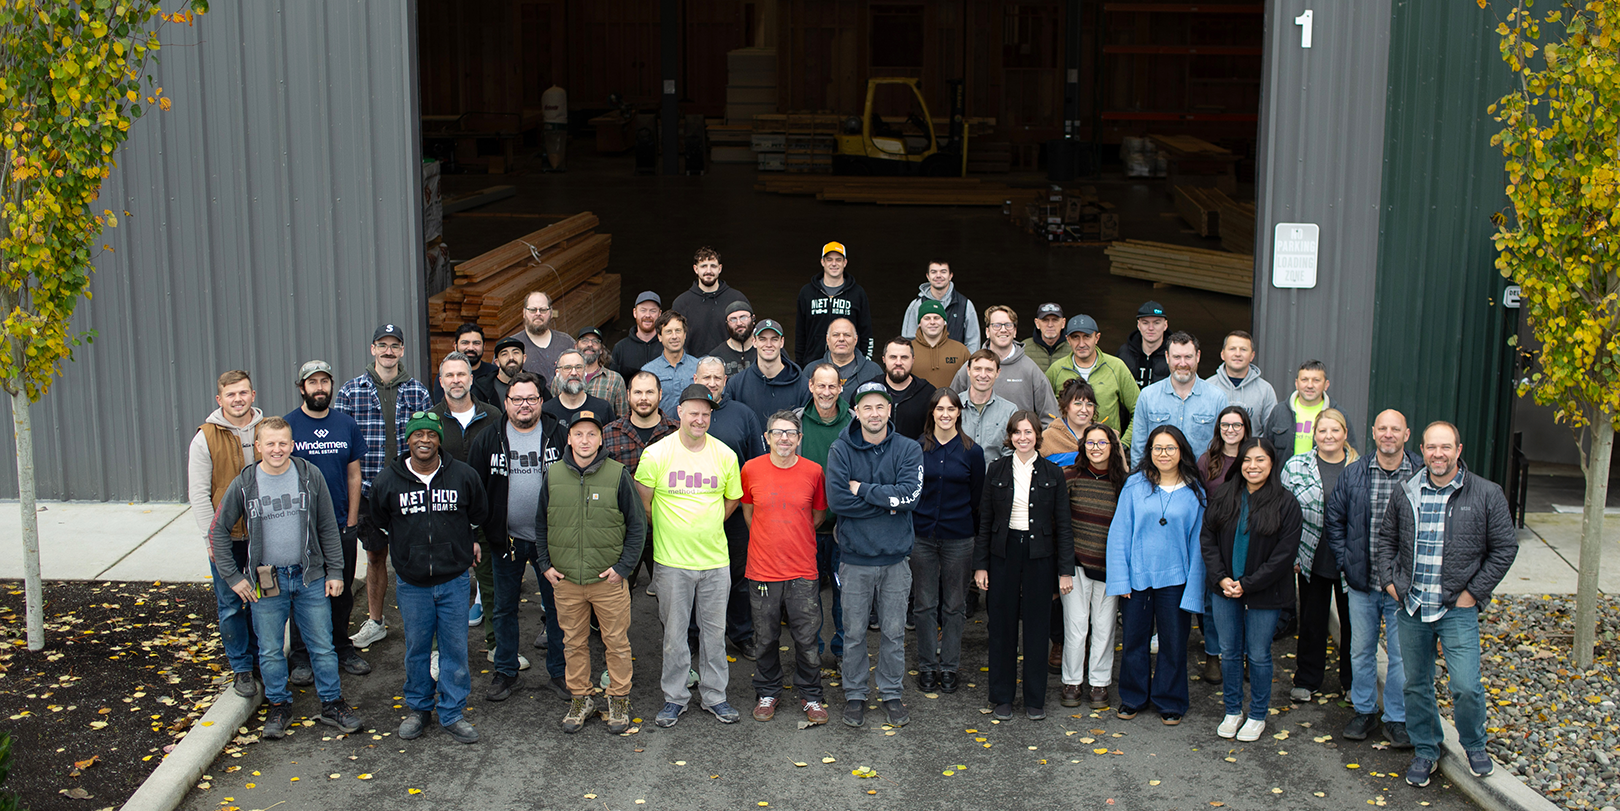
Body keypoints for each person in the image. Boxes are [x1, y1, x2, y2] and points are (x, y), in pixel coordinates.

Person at [1376, 421, 1517, 788]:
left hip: (1457, 609)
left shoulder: (1487, 493)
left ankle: (1474, 745)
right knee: (1415, 684)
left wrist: (1473, 594)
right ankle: (1426, 749)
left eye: (1445, 447)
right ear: (1422, 450)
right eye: (1431, 447)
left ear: (1458, 450)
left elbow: (1505, 548)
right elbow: (1386, 539)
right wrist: (1391, 583)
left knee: (1466, 686)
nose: (1438, 454)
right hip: (1412, 606)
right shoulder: (1406, 490)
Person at [209, 417, 366, 739]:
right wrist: (233, 577)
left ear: (292, 445)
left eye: (283, 443)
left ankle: (332, 703)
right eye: (270, 443)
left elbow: (327, 526)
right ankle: (279, 705)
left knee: (322, 646)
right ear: (258, 447)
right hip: (267, 580)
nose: (277, 449)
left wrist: (335, 571)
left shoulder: (309, 475)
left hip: (309, 576)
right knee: (269, 650)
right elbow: (218, 531)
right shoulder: (245, 482)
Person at [369, 411, 490, 744]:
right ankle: (419, 709)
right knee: (417, 650)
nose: (425, 440)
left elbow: (478, 514)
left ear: (439, 439)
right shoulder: (387, 480)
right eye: (418, 435)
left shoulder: (463, 475)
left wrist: (465, 544)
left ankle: (452, 712)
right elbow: (379, 521)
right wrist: (404, 552)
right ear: (408, 440)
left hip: (454, 580)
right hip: (412, 583)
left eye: (431, 435)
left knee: (455, 650)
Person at [635, 385, 745, 728]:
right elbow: (644, 502)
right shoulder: (656, 454)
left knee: (714, 634)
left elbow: (732, 499)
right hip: (672, 563)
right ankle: (675, 697)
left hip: (715, 562)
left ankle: (715, 696)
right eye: (694, 412)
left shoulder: (725, 454)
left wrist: (708, 523)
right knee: (674, 635)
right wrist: (673, 528)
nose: (700, 419)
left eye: (706, 414)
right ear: (679, 412)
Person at [536, 410, 647, 735]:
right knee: (573, 642)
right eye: (578, 434)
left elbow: (637, 526)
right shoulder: (554, 475)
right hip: (567, 580)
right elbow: (541, 523)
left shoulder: (617, 474)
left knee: (616, 642)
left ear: (600, 439)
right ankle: (581, 698)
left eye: (591, 434)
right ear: (569, 439)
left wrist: (623, 568)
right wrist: (545, 564)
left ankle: (618, 698)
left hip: (606, 579)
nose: (585, 440)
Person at [466, 373, 571, 702]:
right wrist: (474, 533)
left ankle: (559, 672)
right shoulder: (488, 438)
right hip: (505, 539)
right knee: (503, 608)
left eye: (531, 398)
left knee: (556, 608)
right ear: (506, 402)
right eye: (517, 399)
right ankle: (506, 672)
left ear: (541, 401)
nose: (524, 405)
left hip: (551, 542)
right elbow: (474, 489)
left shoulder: (559, 435)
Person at [825, 382, 924, 729]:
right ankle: (855, 694)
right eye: (866, 407)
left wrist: (864, 490)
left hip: (896, 560)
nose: (874, 413)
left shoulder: (909, 449)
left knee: (894, 634)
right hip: (855, 559)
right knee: (853, 634)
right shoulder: (840, 450)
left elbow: (911, 497)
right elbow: (839, 502)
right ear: (856, 412)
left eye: (880, 406)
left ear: (889, 410)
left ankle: (891, 693)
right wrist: (888, 504)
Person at [1325, 409, 1420, 749]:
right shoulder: (1355, 473)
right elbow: (1335, 520)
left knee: (1401, 656)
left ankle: (1396, 718)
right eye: (1383, 428)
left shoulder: (1420, 474)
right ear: (1374, 433)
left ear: (1406, 435)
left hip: (1403, 587)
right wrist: (1346, 562)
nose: (1388, 434)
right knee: (1361, 650)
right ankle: (1364, 711)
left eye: (1395, 429)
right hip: (1362, 583)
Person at [335, 324, 433, 651]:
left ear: (402, 350)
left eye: (394, 345)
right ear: (373, 349)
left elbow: (428, 440)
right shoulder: (351, 391)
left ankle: (419, 627)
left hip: (409, 487)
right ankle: (375, 622)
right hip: (368, 490)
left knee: (413, 558)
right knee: (375, 556)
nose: (388, 351)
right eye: (382, 345)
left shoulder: (418, 392)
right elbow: (343, 445)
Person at [974, 411, 1074, 721]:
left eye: (1028, 432)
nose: (1023, 437)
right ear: (1010, 436)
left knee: (1037, 627)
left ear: (1037, 436)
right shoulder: (996, 469)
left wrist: (1065, 570)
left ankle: (1034, 699)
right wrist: (981, 565)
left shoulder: (1052, 473)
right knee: (1001, 626)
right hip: (1003, 553)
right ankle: (1002, 696)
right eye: (1017, 432)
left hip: (1039, 555)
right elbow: (985, 520)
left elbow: (1063, 525)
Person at [1200, 438, 1301, 743]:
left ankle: (1257, 714)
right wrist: (1221, 579)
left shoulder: (1286, 502)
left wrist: (1248, 584)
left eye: (1260, 460)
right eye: (1246, 460)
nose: (1252, 466)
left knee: (1257, 654)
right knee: (1229, 652)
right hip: (1225, 589)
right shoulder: (1225, 495)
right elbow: (1208, 539)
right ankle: (1233, 711)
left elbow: (1284, 554)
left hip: (1264, 592)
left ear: (1272, 464)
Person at [1106, 425, 1207, 726]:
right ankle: (1133, 697)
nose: (1164, 454)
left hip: (1176, 581)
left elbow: (1198, 545)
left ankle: (1170, 700)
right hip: (1137, 579)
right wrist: (1121, 579)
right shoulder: (1135, 485)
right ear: (1149, 451)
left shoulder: (1194, 492)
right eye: (1157, 448)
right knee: (1134, 641)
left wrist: (1194, 589)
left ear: (1181, 452)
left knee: (1173, 644)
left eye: (1170, 448)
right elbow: (1120, 533)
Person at [740, 411, 831, 725]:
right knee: (765, 637)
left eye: (791, 433)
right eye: (778, 432)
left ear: (799, 438)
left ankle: (812, 695)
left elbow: (817, 516)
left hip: (802, 569)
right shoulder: (751, 469)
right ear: (767, 437)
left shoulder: (813, 471)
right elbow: (749, 512)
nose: (784, 438)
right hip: (762, 570)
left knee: (807, 638)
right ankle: (767, 692)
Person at [284, 360, 371, 684]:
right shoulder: (288, 425)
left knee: (341, 590)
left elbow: (354, 474)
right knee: (302, 591)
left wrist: (352, 520)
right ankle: (301, 655)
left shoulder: (345, 424)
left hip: (339, 524)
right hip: (301, 527)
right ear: (301, 388)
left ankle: (341, 647)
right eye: (313, 382)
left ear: (331, 386)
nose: (319, 388)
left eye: (324, 382)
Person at [188, 369, 265, 699]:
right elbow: (199, 493)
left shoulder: (267, 429)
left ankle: (263, 660)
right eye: (231, 394)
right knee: (232, 604)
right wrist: (211, 540)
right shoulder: (205, 437)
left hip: (263, 537)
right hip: (228, 538)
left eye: (243, 392)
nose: (238, 399)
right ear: (220, 399)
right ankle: (242, 667)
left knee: (263, 600)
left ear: (253, 395)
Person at [688, 356, 765, 657]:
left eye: (717, 378)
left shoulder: (743, 415)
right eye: (706, 377)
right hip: (692, 512)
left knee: (738, 575)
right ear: (695, 379)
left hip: (734, 512)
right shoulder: (685, 414)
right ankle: (693, 635)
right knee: (693, 576)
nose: (712, 383)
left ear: (725, 380)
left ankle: (741, 632)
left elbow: (756, 465)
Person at [1281, 407, 1358, 704]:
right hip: (1311, 555)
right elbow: (1285, 514)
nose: (1328, 436)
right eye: (1322, 430)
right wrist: (1291, 556)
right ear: (1314, 434)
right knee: (1312, 622)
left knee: (1352, 624)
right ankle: (1307, 679)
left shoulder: (1360, 467)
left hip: (1350, 560)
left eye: (1335, 430)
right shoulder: (1296, 466)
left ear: (1345, 434)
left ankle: (1352, 683)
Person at [910, 388, 985, 695]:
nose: (945, 414)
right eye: (939, 409)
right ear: (932, 413)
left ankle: (950, 666)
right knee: (925, 604)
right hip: (922, 537)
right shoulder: (917, 448)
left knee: (955, 605)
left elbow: (977, 498)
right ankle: (928, 665)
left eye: (951, 409)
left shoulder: (972, 452)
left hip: (959, 538)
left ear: (958, 413)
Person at [428, 351, 502, 654]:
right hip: (444, 516)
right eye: (450, 375)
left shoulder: (494, 416)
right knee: (439, 587)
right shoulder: (431, 419)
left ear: (471, 379)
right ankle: (439, 651)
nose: (456, 380)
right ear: (441, 381)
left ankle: (498, 647)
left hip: (485, 514)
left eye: (461, 374)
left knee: (491, 584)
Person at [1060, 424, 1129, 710]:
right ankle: (1072, 681)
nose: (1096, 448)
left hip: (1110, 567)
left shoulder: (1124, 482)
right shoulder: (1070, 477)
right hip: (1076, 565)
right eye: (1090, 443)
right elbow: (1060, 524)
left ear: (1113, 447)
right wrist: (1063, 567)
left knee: (1104, 627)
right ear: (1083, 446)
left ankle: (1099, 683)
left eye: (1102, 443)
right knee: (1076, 627)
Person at [602, 372, 680, 593]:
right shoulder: (609, 433)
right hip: (623, 533)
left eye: (649, 392)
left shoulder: (676, 433)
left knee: (672, 600)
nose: (643, 398)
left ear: (660, 394)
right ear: (628, 395)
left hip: (667, 533)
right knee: (616, 600)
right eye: (637, 392)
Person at [797, 362, 853, 664]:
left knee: (845, 597)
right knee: (808, 597)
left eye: (833, 386)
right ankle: (812, 654)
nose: (827, 392)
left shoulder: (854, 422)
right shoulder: (796, 421)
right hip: (805, 527)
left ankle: (844, 653)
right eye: (821, 385)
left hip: (844, 527)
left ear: (841, 387)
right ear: (811, 386)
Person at [1128, 332, 1227, 466]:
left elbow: (1224, 448)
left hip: (1201, 477)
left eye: (1188, 357)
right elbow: (1139, 448)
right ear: (1167, 357)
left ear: (1198, 356)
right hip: (1157, 477)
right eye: (1177, 357)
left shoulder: (1217, 398)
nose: (1182, 363)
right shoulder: (1148, 396)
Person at [949, 305, 1059, 425]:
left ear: (1015, 331)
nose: (1003, 330)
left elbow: (1051, 418)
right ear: (987, 331)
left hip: (1017, 437)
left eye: (1008, 325)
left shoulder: (1030, 370)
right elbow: (950, 408)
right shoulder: (971, 368)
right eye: (996, 325)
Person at [1046, 315, 1139, 434]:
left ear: (1097, 337)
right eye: (1075, 337)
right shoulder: (1056, 369)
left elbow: (1139, 408)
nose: (1081, 344)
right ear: (1068, 340)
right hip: (1066, 444)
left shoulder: (1116, 367)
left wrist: (1124, 442)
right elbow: (1042, 410)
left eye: (1087, 337)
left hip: (1105, 444)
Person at [1264, 360, 1357, 463]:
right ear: (1296, 383)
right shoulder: (1279, 412)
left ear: (1326, 385)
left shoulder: (1338, 414)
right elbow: (1266, 450)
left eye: (1316, 380)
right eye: (1304, 380)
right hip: (1284, 473)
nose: (1310, 385)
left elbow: (1351, 453)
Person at [795, 241, 873, 364]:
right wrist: (800, 365)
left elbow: (866, 332)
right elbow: (800, 334)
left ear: (845, 262)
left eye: (838, 260)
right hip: (814, 363)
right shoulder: (807, 293)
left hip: (849, 365)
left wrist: (865, 363)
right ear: (822, 262)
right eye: (829, 259)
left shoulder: (857, 293)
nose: (834, 263)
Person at [673, 246, 752, 358]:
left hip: (731, 364)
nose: (708, 271)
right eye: (703, 266)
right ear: (696, 269)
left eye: (713, 266)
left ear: (720, 269)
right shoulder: (681, 303)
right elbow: (675, 339)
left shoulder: (736, 298)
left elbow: (750, 336)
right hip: (693, 365)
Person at [724, 319, 803, 425]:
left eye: (774, 339)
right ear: (754, 342)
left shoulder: (802, 386)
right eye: (762, 339)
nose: (768, 344)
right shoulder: (736, 385)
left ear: (782, 342)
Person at [899, 259, 982, 351]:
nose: (938, 275)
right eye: (934, 272)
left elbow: (973, 341)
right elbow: (908, 340)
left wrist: (966, 360)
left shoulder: (965, 304)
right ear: (928, 276)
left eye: (943, 272)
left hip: (957, 359)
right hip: (924, 359)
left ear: (950, 276)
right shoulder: (916, 305)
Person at [551, 327, 629, 418]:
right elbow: (553, 411)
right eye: (585, 340)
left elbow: (623, 418)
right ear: (576, 346)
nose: (590, 344)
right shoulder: (561, 378)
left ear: (601, 350)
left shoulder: (615, 379)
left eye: (595, 341)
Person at [1204, 331, 1276, 429]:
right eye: (1232, 349)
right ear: (1222, 354)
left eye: (1243, 349)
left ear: (1252, 356)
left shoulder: (1265, 390)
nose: (1237, 354)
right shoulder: (1207, 387)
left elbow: (1270, 430)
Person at [958, 349, 1019, 466]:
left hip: (995, 476)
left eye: (989, 370)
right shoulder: (953, 406)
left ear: (998, 373)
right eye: (977, 369)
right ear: (968, 370)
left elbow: (1011, 452)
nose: (983, 375)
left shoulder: (1010, 411)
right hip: (959, 475)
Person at [646, 311, 701, 418]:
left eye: (678, 331)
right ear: (659, 337)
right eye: (668, 332)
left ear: (684, 335)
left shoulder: (698, 367)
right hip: (662, 426)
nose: (674, 336)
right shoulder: (649, 371)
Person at [512, 290, 575, 382]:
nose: (538, 313)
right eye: (533, 310)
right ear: (524, 313)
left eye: (543, 310)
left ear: (551, 313)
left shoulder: (566, 343)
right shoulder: (512, 345)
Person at [880, 337, 936, 440]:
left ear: (913, 360)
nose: (898, 362)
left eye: (904, 357)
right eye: (893, 357)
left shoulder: (928, 393)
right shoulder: (870, 390)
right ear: (884, 359)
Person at [545, 349, 618, 427]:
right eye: (567, 368)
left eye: (578, 367)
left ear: (585, 371)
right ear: (557, 373)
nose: (574, 373)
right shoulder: (546, 412)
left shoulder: (603, 408)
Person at [431, 323, 500, 405]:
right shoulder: (447, 376)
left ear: (484, 346)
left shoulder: (495, 373)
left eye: (476, 343)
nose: (471, 348)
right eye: (465, 343)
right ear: (455, 346)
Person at [911, 300, 970, 389]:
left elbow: (970, 382)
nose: (932, 322)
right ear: (919, 323)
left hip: (953, 398)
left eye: (936, 318)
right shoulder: (908, 349)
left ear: (944, 321)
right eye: (927, 318)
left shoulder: (961, 350)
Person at [822, 317, 883, 398]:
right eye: (836, 335)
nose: (841, 339)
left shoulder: (873, 371)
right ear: (828, 339)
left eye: (847, 335)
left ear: (855, 340)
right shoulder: (812, 370)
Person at [1042, 379, 1098, 467]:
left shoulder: (1106, 435)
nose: (1084, 410)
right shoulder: (1048, 437)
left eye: (1089, 404)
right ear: (1066, 406)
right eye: (1078, 404)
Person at [1118, 300, 1170, 390]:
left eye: (1156, 323)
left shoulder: (1174, 355)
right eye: (1145, 323)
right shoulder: (1124, 353)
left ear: (1165, 325)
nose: (1151, 328)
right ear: (1138, 325)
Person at [612, 291, 665, 378]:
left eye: (653, 311)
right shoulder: (620, 348)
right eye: (643, 310)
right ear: (635, 313)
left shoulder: (668, 346)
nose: (647, 315)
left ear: (659, 314)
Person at [1198, 406, 1254, 489]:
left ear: (1245, 428)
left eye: (1237, 425)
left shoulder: (1254, 460)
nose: (1230, 430)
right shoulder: (1206, 460)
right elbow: (1198, 493)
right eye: (1224, 425)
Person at [708, 301, 758, 377]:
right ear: (727, 324)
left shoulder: (765, 349)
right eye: (733, 319)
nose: (739, 323)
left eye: (743, 317)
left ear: (753, 319)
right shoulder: (716, 356)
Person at [1024, 302, 1071, 373]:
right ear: (1037, 323)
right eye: (1045, 320)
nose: (1050, 325)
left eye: (1055, 320)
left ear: (1063, 323)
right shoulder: (1024, 349)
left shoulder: (1073, 347)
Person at [489, 336, 532, 409]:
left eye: (516, 353)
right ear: (497, 362)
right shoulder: (483, 390)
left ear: (524, 358)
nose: (511, 357)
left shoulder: (538, 385)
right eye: (504, 354)